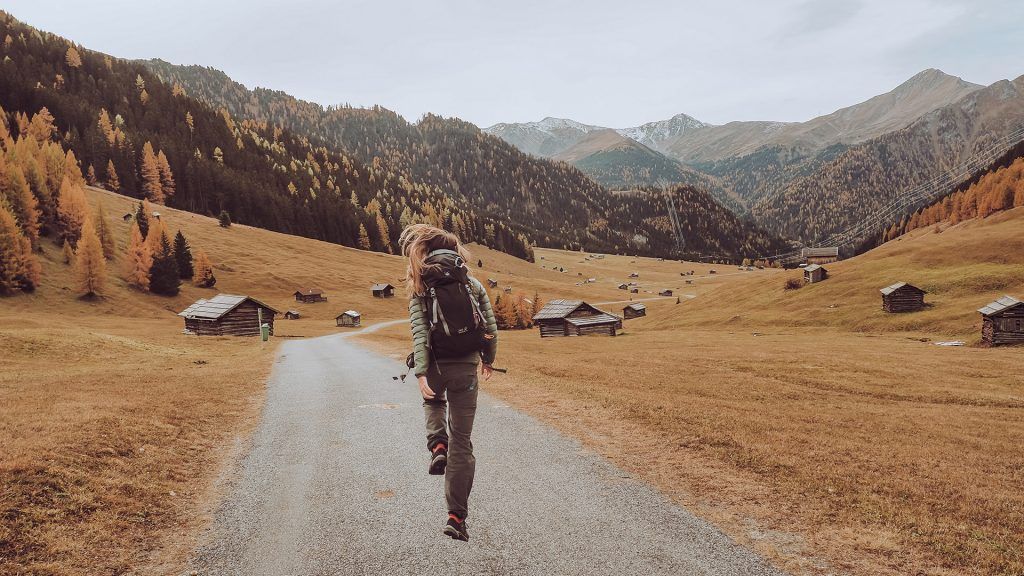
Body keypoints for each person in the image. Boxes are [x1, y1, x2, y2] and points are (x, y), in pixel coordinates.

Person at [399, 223, 498, 542]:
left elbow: (418, 334)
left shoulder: (420, 284)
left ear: (427, 251)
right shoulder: (471, 283)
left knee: (432, 400)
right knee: (463, 442)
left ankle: (436, 443)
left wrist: (421, 373)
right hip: (466, 369)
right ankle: (456, 517)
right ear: (455, 252)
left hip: (437, 365)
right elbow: (490, 328)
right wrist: (488, 358)